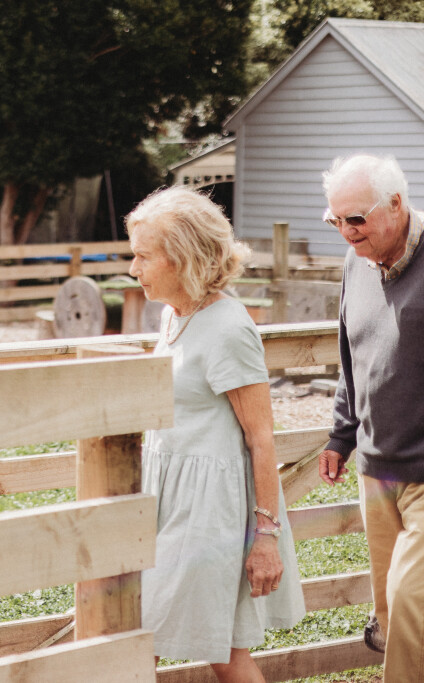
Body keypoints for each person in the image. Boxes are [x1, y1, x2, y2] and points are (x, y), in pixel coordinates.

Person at [127, 186, 305, 679]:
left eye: (143, 257)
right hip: (167, 500)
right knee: (219, 650)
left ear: (183, 258)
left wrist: (265, 538)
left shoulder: (228, 327)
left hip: (210, 512)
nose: (133, 269)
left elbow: (261, 437)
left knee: (152, 639)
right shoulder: (173, 314)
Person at [318, 154, 424, 679]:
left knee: (410, 603)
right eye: (335, 220)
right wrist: (341, 435)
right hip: (377, 470)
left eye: (356, 219)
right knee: (389, 609)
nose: (346, 232)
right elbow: (352, 356)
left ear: (397, 204)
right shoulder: (354, 261)